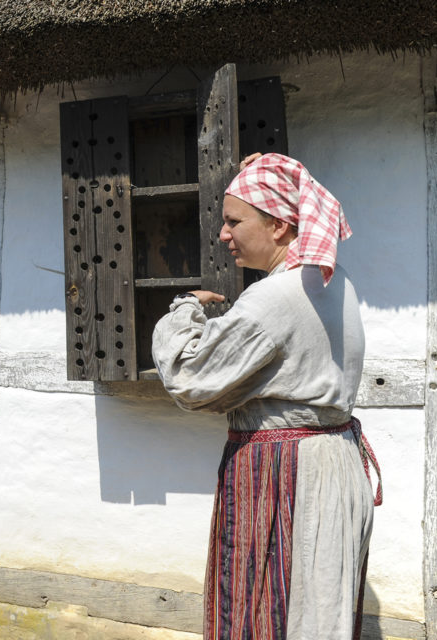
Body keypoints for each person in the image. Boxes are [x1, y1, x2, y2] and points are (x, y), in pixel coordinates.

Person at [151, 153, 380, 639]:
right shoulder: (334, 283)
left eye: (234, 221)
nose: (223, 235)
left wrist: (185, 310)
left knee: (266, 609)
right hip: (333, 464)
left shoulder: (277, 297)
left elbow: (190, 378)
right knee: (316, 609)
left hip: (284, 474)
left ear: (278, 225)